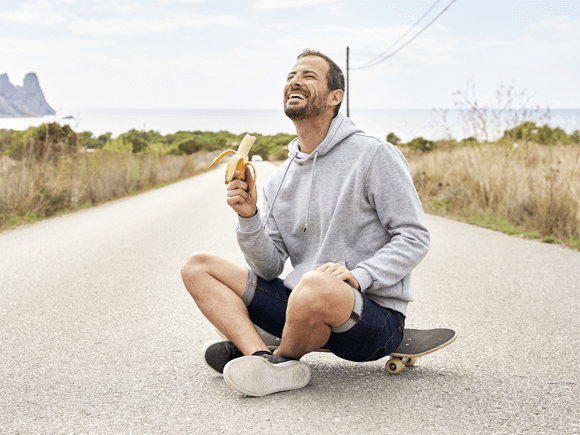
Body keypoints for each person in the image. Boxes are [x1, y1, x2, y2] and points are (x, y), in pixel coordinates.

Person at [181, 49, 430, 397]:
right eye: (290, 76)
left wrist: (360, 276)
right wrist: (249, 217)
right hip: (301, 302)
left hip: (370, 317)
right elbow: (269, 268)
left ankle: (281, 358)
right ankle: (260, 359)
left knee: (314, 284)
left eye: (309, 76)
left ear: (334, 97)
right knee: (197, 266)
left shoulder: (374, 155)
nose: (294, 81)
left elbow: (414, 236)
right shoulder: (279, 178)